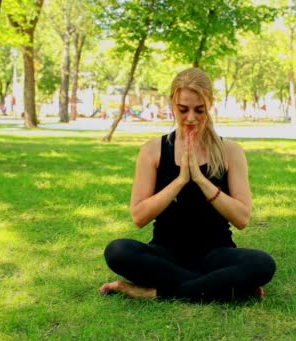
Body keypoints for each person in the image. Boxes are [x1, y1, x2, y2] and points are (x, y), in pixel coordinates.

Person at [99, 68, 276, 302]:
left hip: (216, 255)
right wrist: (181, 180)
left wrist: (202, 181)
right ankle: (217, 285)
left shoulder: (230, 152)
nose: (191, 118)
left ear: (210, 104)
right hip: (166, 254)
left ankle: (154, 291)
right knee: (117, 251)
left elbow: (242, 219)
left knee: (263, 264)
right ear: (173, 103)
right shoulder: (152, 151)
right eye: (183, 109)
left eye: (199, 110)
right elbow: (139, 216)